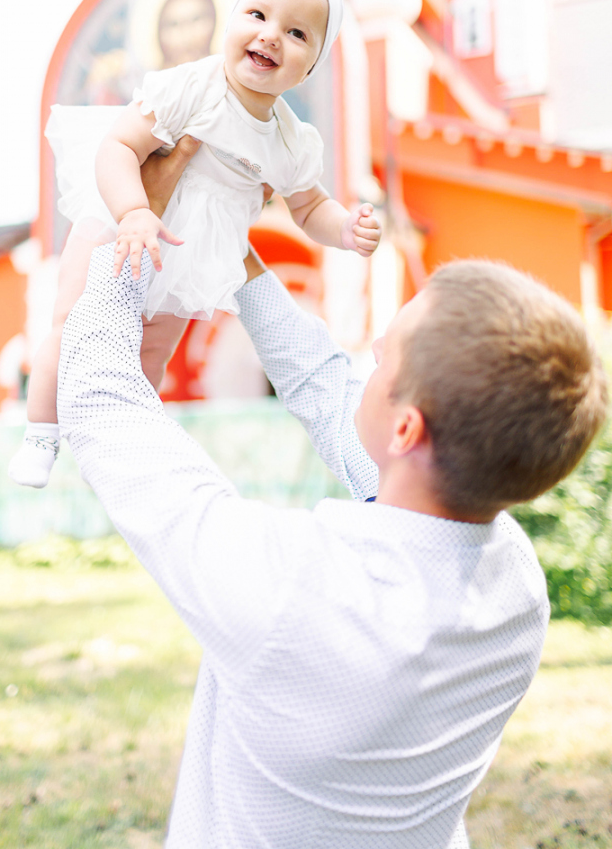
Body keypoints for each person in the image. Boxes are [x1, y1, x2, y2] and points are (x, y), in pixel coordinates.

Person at [55, 158, 607, 848]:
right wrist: (237, 255)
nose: (369, 348)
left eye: (387, 355)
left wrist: (123, 236)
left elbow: (102, 402)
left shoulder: (292, 590)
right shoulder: (516, 588)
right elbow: (325, 381)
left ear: (408, 428)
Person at [9, 0, 381, 488]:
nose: (270, 35)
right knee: (73, 321)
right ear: (231, 21)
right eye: (257, 16)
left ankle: (116, 442)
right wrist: (134, 211)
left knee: (149, 356)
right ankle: (40, 431)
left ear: (311, 65)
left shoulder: (289, 138)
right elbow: (118, 147)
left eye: (297, 33)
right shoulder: (193, 86)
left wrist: (346, 230)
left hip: (191, 256)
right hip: (123, 221)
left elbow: (309, 208)